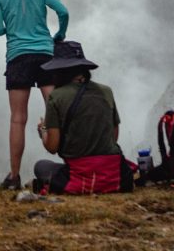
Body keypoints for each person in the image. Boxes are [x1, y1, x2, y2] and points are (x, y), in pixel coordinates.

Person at [0, 0, 69, 189]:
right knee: (57, 110)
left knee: (17, 119)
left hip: (17, 57)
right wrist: (60, 35)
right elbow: (63, 12)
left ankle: (14, 176)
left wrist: (11, 28)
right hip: (45, 54)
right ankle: (75, 163)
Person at [33, 43, 133, 195]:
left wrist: (43, 130)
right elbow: (114, 136)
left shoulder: (56, 97)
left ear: (59, 70)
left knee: (41, 166)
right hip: (116, 175)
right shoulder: (106, 91)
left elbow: (52, 147)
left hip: (79, 174)